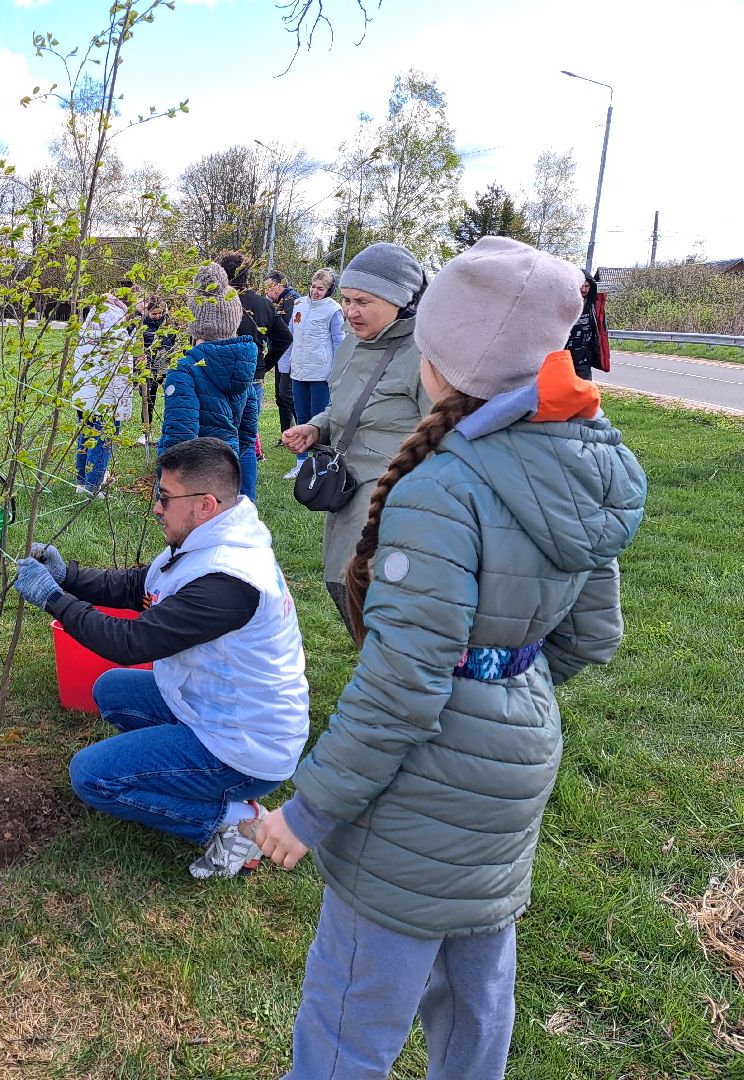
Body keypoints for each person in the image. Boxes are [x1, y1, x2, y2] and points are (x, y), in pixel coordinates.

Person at [246, 236, 646, 1079]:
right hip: (518, 764)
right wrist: (499, 685)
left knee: (353, 1010)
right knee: (476, 1000)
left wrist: (306, 813)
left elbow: (401, 688)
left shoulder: (440, 489)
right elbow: (590, 634)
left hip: (420, 792)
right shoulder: (575, 467)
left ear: (438, 361)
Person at [11, 437, 309, 878]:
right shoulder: (211, 541)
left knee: (91, 775)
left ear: (205, 504)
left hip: (245, 746)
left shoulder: (229, 581)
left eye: (165, 499)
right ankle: (194, 775)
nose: (155, 508)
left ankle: (237, 824)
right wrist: (68, 576)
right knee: (110, 690)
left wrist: (54, 599)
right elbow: (140, 587)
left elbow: (130, 642)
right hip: (220, 708)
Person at [281, 243, 429, 623]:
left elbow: (447, 434)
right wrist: (318, 426)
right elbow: (347, 405)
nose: (350, 311)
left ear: (400, 301)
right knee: (341, 582)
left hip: (393, 496)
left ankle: (393, 672)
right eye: (346, 299)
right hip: (346, 483)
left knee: (373, 593)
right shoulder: (352, 343)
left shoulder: (425, 354)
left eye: (363, 301)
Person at [155, 263, 260, 500]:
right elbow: (247, 435)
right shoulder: (244, 365)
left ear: (195, 321)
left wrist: (166, 491)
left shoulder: (184, 371)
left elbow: (179, 437)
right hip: (226, 478)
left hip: (193, 487)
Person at [69, 292, 135, 496]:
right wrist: (124, 408)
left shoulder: (84, 335)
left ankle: (81, 480)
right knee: (102, 442)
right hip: (105, 401)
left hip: (84, 398)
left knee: (85, 437)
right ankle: (93, 486)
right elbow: (122, 376)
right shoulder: (119, 338)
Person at [282, 269, 345, 479]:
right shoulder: (299, 304)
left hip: (321, 373)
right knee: (301, 418)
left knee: (318, 420)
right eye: (313, 286)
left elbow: (339, 342)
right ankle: (301, 463)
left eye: (320, 288)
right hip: (298, 370)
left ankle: (322, 464)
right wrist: (285, 363)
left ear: (329, 290)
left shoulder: (333, 310)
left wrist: (338, 371)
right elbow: (291, 336)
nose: (315, 291)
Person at [217, 251, 293, 387]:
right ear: (247, 275)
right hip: (253, 372)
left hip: (221, 372)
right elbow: (284, 338)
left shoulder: (215, 302)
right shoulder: (264, 304)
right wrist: (263, 367)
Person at [134, 292, 179, 442]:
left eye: (160, 313)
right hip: (148, 363)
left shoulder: (169, 323)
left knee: (171, 395)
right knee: (148, 397)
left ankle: (169, 431)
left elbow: (174, 342)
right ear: (147, 311)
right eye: (154, 313)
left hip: (164, 362)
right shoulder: (140, 323)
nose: (157, 316)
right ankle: (146, 431)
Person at [264, 270, 301, 435]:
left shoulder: (291, 301)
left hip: (290, 355)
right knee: (281, 396)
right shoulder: (279, 300)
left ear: (279, 286)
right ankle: (285, 433)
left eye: (269, 287)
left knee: (286, 394)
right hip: (280, 354)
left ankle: (303, 428)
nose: (266, 292)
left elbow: (287, 331)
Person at [565, 269, 611, 380]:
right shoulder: (565, 304)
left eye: (587, 286)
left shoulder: (594, 307)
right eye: (581, 286)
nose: (584, 289)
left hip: (583, 360)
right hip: (564, 358)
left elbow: (600, 330)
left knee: (585, 393)